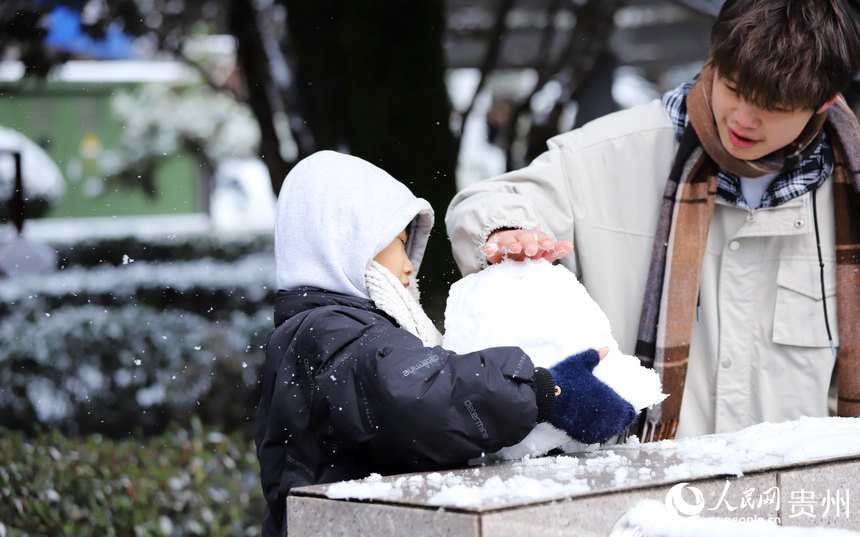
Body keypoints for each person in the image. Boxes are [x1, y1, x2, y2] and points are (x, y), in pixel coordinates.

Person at [446, 0, 860, 441]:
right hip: (643, 496)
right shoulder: (612, 152)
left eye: (773, 105)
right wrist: (505, 232)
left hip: (796, 498)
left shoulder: (848, 196)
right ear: (714, 59)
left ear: (823, 101)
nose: (743, 119)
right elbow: (493, 201)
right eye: (734, 88)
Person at [255, 150, 637, 537]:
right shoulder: (330, 336)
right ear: (346, 240)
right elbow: (419, 396)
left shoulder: (324, 333)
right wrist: (543, 391)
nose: (408, 265)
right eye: (398, 243)